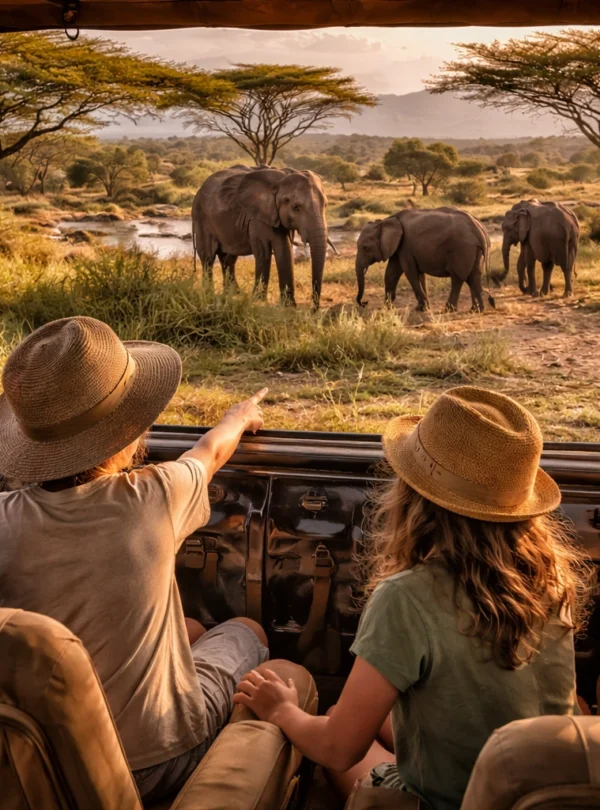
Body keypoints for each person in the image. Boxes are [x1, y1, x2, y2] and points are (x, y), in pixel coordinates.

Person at [234, 386, 593, 810]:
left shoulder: (407, 597)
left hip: (451, 802)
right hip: (541, 795)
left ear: (413, 495)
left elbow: (338, 749)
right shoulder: (551, 579)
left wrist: (284, 711)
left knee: (334, 725)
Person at [0, 316, 269, 804]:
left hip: (44, 763)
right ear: (128, 428)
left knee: (186, 628)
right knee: (246, 632)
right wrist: (239, 415)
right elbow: (209, 452)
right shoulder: (157, 495)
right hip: (157, 761)